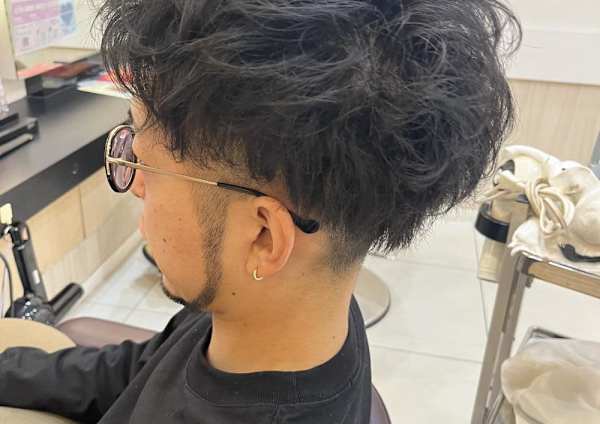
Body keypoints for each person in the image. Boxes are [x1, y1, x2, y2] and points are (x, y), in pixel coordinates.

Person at [0, 0, 521, 422]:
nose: (134, 184)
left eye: (144, 162)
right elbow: (144, 367)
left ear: (263, 238)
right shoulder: (291, 310)